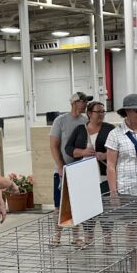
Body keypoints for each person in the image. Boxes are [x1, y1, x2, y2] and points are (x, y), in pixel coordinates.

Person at [65, 100, 114, 246]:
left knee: (106, 209)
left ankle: (108, 241)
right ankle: (88, 239)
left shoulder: (110, 129)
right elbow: (68, 148)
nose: (101, 114)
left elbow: (118, 149)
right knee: (87, 209)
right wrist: (83, 152)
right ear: (89, 114)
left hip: (103, 177)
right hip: (84, 177)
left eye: (103, 112)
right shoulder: (80, 129)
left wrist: (104, 155)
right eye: (98, 111)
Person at [50, 91, 91, 246]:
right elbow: (54, 146)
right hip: (62, 169)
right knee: (58, 206)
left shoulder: (85, 121)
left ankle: (76, 237)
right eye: (83, 101)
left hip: (79, 169)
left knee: (76, 204)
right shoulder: (60, 121)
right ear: (74, 103)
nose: (86, 104)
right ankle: (57, 236)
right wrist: (60, 166)